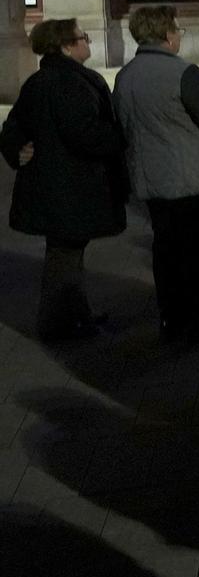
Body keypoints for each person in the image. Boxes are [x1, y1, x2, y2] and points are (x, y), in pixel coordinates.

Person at [112, 5, 199, 346]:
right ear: (167, 35)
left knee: (166, 253)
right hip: (191, 180)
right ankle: (198, 323)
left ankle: (171, 319)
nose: (180, 35)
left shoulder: (126, 76)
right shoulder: (183, 73)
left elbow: (121, 127)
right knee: (196, 255)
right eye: (178, 30)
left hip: (151, 181)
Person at [1, 18, 127, 341]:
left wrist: (18, 148)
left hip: (56, 188)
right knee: (64, 258)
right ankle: (58, 325)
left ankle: (77, 316)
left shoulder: (41, 81)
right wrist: (121, 136)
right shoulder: (69, 83)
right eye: (82, 37)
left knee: (67, 254)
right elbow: (84, 134)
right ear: (66, 46)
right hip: (71, 188)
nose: (88, 41)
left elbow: (13, 128)